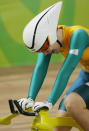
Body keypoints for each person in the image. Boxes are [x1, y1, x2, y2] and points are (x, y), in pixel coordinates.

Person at [18, 1, 89, 131]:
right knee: (60, 123)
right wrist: (30, 98)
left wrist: (49, 102)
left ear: (51, 33)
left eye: (44, 47)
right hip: (87, 74)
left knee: (72, 103)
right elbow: (40, 68)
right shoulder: (47, 41)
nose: (44, 52)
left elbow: (66, 71)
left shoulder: (78, 35)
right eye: (40, 50)